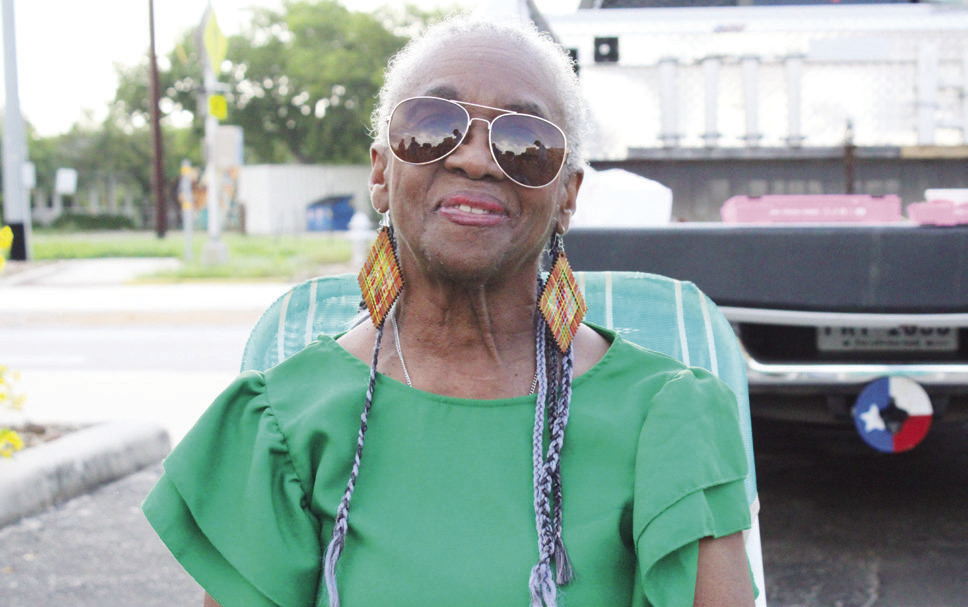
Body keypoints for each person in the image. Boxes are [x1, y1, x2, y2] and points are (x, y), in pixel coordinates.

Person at [143, 15, 755, 607]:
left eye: (525, 142)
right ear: (381, 173)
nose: (475, 161)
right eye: (433, 127)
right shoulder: (282, 428)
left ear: (567, 196)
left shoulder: (667, 420)